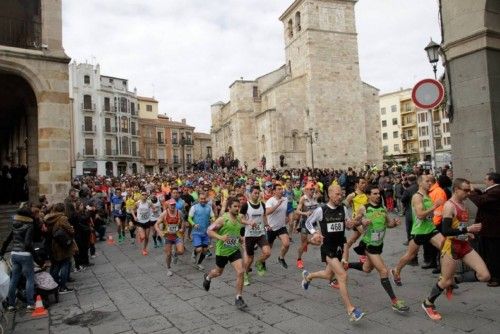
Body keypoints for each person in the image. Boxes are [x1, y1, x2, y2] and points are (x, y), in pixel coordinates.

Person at [422, 178, 490, 320]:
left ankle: (454, 280)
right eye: (465, 190)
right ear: (456, 190)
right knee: (444, 281)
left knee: (485, 275)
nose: (468, 192)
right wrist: (467, 228)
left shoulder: (463, 204)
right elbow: (446, 230)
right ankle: (428, 303)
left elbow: (457, 227)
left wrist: (467, 233)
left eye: (469, 190)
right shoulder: (449, 206)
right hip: (451, 247)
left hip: (463, 245)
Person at [300, 185, 365, 322]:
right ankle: (351, 310)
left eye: (341, 194)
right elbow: (308, 223)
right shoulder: (321, 210)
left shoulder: (343, 209)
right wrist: (315, 233)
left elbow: (348, 224)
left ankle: (308, 276)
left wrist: (357, 220)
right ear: (329, 195)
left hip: (339, 247)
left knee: (328, 274)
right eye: (337, 194)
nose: (340, 197)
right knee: (342, 275)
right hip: (327, 248)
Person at [348, 185, 410, 313]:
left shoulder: (383, 208)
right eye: (374, 194)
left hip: (378, 245)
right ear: (369, 195)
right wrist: (361, 222)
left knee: (366, 268)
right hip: (369, 245)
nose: (377, 196)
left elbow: (388, 224)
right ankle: (395, 301)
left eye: (378, 193)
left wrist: (394, 223)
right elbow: (352, 223)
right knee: (383, 271)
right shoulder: (364, 208)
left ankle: (346, 265)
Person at [392, 175, 444, 286]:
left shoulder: (428, 195)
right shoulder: (417, 197)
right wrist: (435, 206)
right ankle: (396, 270)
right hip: (420, 231)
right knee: (410, 255)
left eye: (430, 181)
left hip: (431, 229)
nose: (430, 183)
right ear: (420, 183)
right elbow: (420, 215)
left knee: (445, 249)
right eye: (427, 181)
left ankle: (446, 278)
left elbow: (429, 213)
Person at [202, 197, 252, 309]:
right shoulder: (222, 219)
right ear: (229, 208)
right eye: (235, 206)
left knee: (241, 271)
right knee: (218, 272)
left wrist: (240, 238)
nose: (237, 208)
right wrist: (220, 237)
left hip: (234, 249)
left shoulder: (239, 217)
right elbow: (209, 231)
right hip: (222, 251)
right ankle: (208, 277)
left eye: (238, 206)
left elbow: (235, 231)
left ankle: (238, 297)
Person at [0, 206, 36, 311]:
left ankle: (11, 304)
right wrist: (36, 256)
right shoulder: (29, 225)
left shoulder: (14, 225)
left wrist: (2, 252)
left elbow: (7, 240)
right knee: (30, 278)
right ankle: (30, 303)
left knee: (14, 279)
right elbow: (28, 243)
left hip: (14, 254)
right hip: (25, 254)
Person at [468, 172, 500, 287]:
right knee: (489, 253)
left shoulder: (497, 191)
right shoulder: (494, 190)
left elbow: (481, 201)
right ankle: (490, 274)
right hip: (490, 229)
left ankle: (496, 277)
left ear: (492, 181)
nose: (484, 181)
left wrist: (471, 192)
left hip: (493, 230)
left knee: (494, 254)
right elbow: (484, 197)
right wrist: (476, 191)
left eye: (486, 179)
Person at [240, 186, 271, 285]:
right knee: (250, 258)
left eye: (258, 193)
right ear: (250, 193)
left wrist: (266, 224)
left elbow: (264, 216)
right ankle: (245, 274)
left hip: (260, 233)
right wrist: (248, 222)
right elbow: (240, 219)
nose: (257, 195)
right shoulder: (246, 205)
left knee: (267, 252)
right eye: (255, 193)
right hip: (249, 235)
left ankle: (259, 263)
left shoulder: (262, 204)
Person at [155, 199, 184, 276]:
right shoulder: (164, 213)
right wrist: (160, 232)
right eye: (171, 205)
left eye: (174, 204)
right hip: (168, 236)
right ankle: (168, 269)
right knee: (168, 254)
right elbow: (156, 224)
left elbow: (183, 222)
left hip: (177, 235)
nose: (173, 206)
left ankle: (175, 254)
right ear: (168, 205)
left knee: (181, 251)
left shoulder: (179, 212)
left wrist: (182, 228)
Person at [265, 184, 290, 269]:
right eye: (279, 189)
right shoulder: (270, 201)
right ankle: (262, 261)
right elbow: (267, 212)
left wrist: (287, 216)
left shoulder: (285, 199)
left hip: (281, 227)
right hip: (271, 228)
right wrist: (277, 205)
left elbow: (288, 210)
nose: (281, 191)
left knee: (286, 244)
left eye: (282, 189)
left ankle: (281, 258)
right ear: (274, 191)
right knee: (268, 251)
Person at [295, 182, 319, 269]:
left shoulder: (315, 197)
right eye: (311, 189)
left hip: (314, 223)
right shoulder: (303, 199)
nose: (313, 191)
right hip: (305, 223)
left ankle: (307, 242)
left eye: (313, 189)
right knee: (303, 244)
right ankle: (299, 259)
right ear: (306, 190)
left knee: (318, 241)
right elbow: (297, 211)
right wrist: (305, 213)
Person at [188, 192, 215, 270]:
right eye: (201, 199)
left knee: (205, 250)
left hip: (205, 232)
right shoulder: (194, 207)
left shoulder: (209, 207)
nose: (203, 200)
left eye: (204, 199)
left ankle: (199, 263)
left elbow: (213, 216)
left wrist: (213, 220)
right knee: (199, 249)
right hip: (196, 232)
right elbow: (189, 218)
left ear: (206, 199)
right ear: (198, 199)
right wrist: (193, 224)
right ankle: (194, 252)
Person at [134, 192, 152, 256]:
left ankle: (144, 249)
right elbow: (132, 210)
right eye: (143, 194)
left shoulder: (149, 203)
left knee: (147, 237)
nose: (144, 195)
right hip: (140, 222)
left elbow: (153, 208)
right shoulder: (138, 203)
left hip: (147, 221)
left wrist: (154, 210)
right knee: (143, 236)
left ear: (147, 196)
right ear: (140, 196)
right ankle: (140, 236)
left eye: (145, 194)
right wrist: (134, 216)